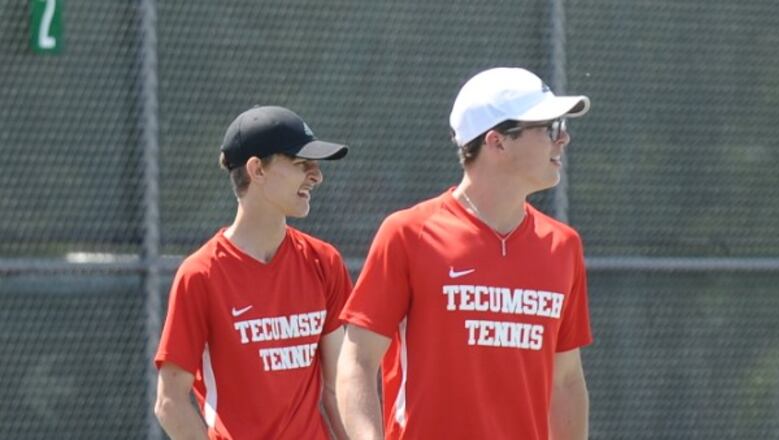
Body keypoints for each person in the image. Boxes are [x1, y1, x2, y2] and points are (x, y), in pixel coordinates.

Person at [336, 67, 594, 440]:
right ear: (497, 142)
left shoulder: (563, 245)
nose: (564, 138)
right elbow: (357, 362)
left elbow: (566, 379)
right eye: (549, 128)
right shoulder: (409, 233)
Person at [154, 106, 352, 439]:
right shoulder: (201, 275)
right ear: (256, 169)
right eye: (302, 164)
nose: (317, 176)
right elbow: (169, 403)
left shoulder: (324, 261)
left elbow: (339, 389)